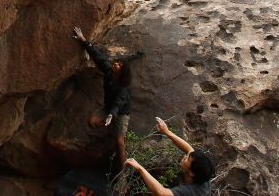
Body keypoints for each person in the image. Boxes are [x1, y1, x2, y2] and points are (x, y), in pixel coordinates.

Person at [72, 26, 131, 168]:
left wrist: (112, 115)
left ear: (122, 71)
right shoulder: (109, 72)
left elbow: (119, 103)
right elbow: (97, 57)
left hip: (121, 113)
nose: (115, 64)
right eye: (117, 62)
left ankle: (123, 174)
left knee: (120, 143)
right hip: (108, 108)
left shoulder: (123, 87)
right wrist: (83, 40)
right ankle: (108, 126)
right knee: (91, 122)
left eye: (119, 64)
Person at [124, 117, 215, 196]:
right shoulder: (203, 175)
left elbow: (161, 193)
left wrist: (140, 169)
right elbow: (189, 148)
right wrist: (167, 132)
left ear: (192, 173)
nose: (185, 157)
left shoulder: (192, 192)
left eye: (187, 159)